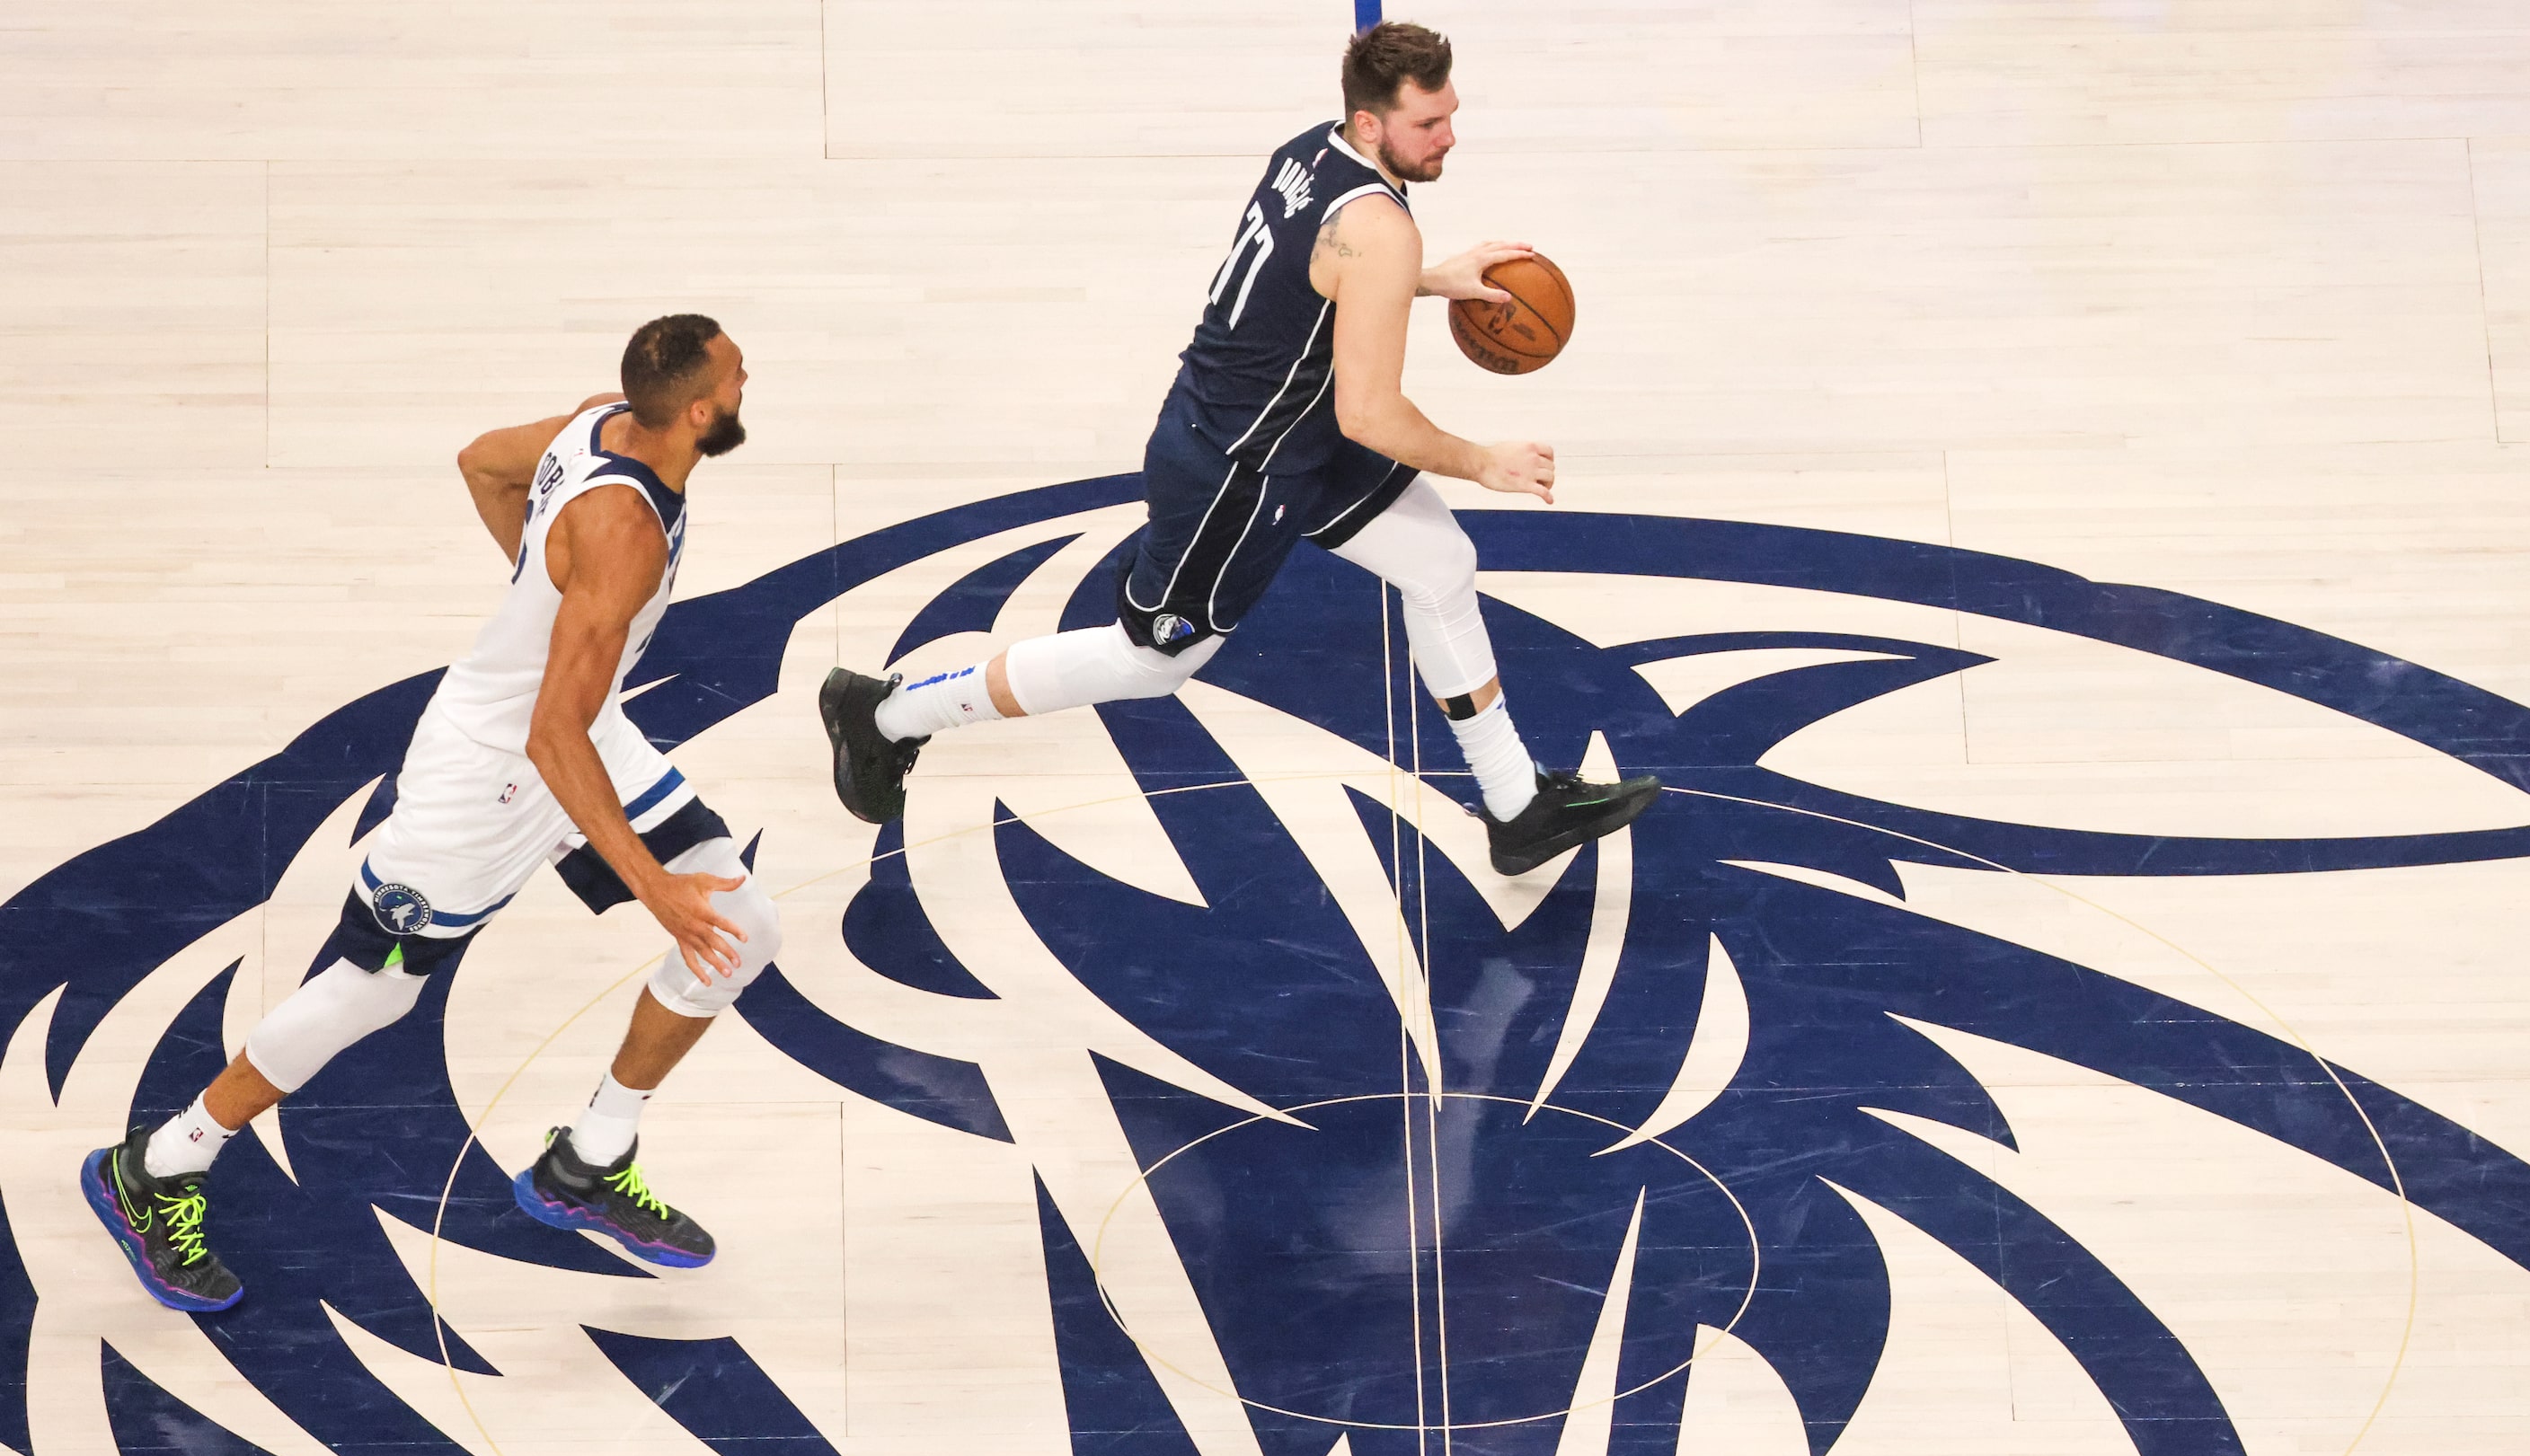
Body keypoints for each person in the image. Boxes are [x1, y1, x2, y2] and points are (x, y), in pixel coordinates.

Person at [818, 20, 1659, 875]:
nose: (1449, 137)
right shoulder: (1379, 227)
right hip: (1239, 470)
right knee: (1148, 664)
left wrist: (1435, 277)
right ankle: (887, 714)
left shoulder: (1311, 152)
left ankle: (1515, 805)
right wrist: (1482, 461)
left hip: (1291, 429)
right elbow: (1372, 413)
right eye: (1428, 124)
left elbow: (1319, 274)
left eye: (1450, 115)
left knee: (1439, 562)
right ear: (1371, 125)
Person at [84, 314, 778, 1312]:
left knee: (742, 930)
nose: (749, 370)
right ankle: (155, 1167)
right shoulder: (622, 532)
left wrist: (543, 597)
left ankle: (588, 1158)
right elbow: (548, 735)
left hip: (578, 730)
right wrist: (649, 883)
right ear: (701, 411)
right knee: (373, 990)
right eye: (736, 369)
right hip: (491, 771)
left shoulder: (596, 424)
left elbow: (480, 465)